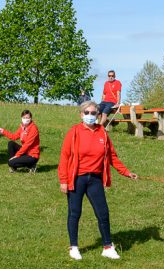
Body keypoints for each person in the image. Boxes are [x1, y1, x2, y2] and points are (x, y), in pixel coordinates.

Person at [59, 102, 137, 260]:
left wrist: (127, 172)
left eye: (93, 113)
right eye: (86, 112)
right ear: (81, 114)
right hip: (77, 178)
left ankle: (107, 247)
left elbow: (112, 157)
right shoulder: (74, 132)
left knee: (103, 213)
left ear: (98, 115)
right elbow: (64, 157)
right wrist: (64, 180)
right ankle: (74, 247)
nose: (90, 115)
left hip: (95, 179)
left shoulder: (102, 132)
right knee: (75, 212)